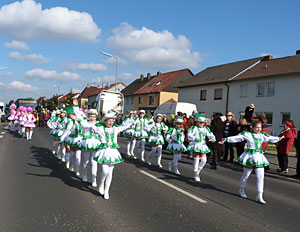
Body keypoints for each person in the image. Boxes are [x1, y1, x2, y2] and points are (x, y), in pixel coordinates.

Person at [219, 120, 283, 204]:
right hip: (250, 156)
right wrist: (226, 139)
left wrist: (279, 138)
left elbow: (270, 138)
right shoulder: (247, 134)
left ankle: (259, 195)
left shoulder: (262, 135)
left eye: (260, 128)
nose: (258, 129)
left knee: (260, 177)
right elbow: (237, 137)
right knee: (246, 175)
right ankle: (242, 189)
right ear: (252, 128)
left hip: (259, 156)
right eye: (257, 127)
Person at [187, 113, 216, 182]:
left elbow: (210, 135)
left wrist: (212, 139)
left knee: (204, 160)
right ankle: (195, 174)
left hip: (203, 144)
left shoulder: (206, 129)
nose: (201, 124)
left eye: (203, 122)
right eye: (200, 122)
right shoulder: (194, 128)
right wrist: (195, 138)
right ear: (197, 122)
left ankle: (198, 171)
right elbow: (189, 134)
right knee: (196, 159)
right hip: (196, 144)